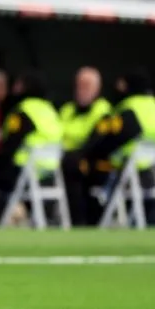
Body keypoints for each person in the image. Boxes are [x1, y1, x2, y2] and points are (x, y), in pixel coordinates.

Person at [82, 69, 155, 226]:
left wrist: (91, 154)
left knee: (94, 166)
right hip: (153, 164)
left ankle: (98, 212)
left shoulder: (130, 107)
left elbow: (115, 137)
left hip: (127, 165)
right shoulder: (154, 106)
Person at [0, 71, 63, 221]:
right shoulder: (51, 110)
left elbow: (10, 145)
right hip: (51, 170)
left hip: (25, 170)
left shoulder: (24, 111)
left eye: (18, 84)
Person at [58, 67, 112, 225]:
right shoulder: (67, 110)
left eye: (87, 86)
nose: (82, 90)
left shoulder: (103, 110)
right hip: (63, 158)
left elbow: (96, 141)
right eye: (79, 86)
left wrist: (77, 155)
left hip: (91, 160)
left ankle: (80, 221)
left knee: (75, 166)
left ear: (97, 88)